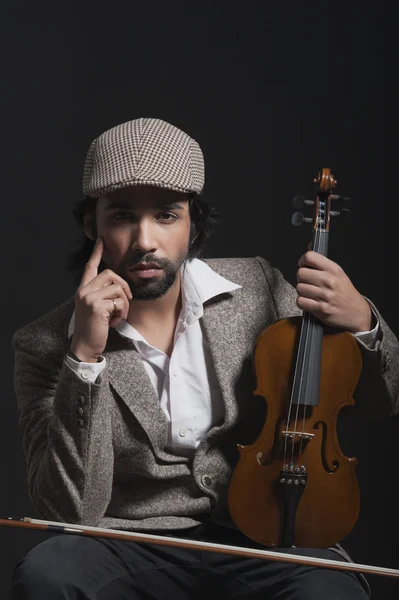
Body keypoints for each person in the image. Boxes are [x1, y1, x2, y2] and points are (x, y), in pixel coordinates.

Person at [9, 117, 399, 599]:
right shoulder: (43, 344)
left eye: (166, 215)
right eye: (123, 216)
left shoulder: (257, 287)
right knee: (48, 575)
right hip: (129, 543)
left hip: (266, 531)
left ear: (194, 221)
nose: (145, 240)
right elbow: (68, 512)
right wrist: (84, 357)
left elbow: (383, 401)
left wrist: (363, 322)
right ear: (92, 223)